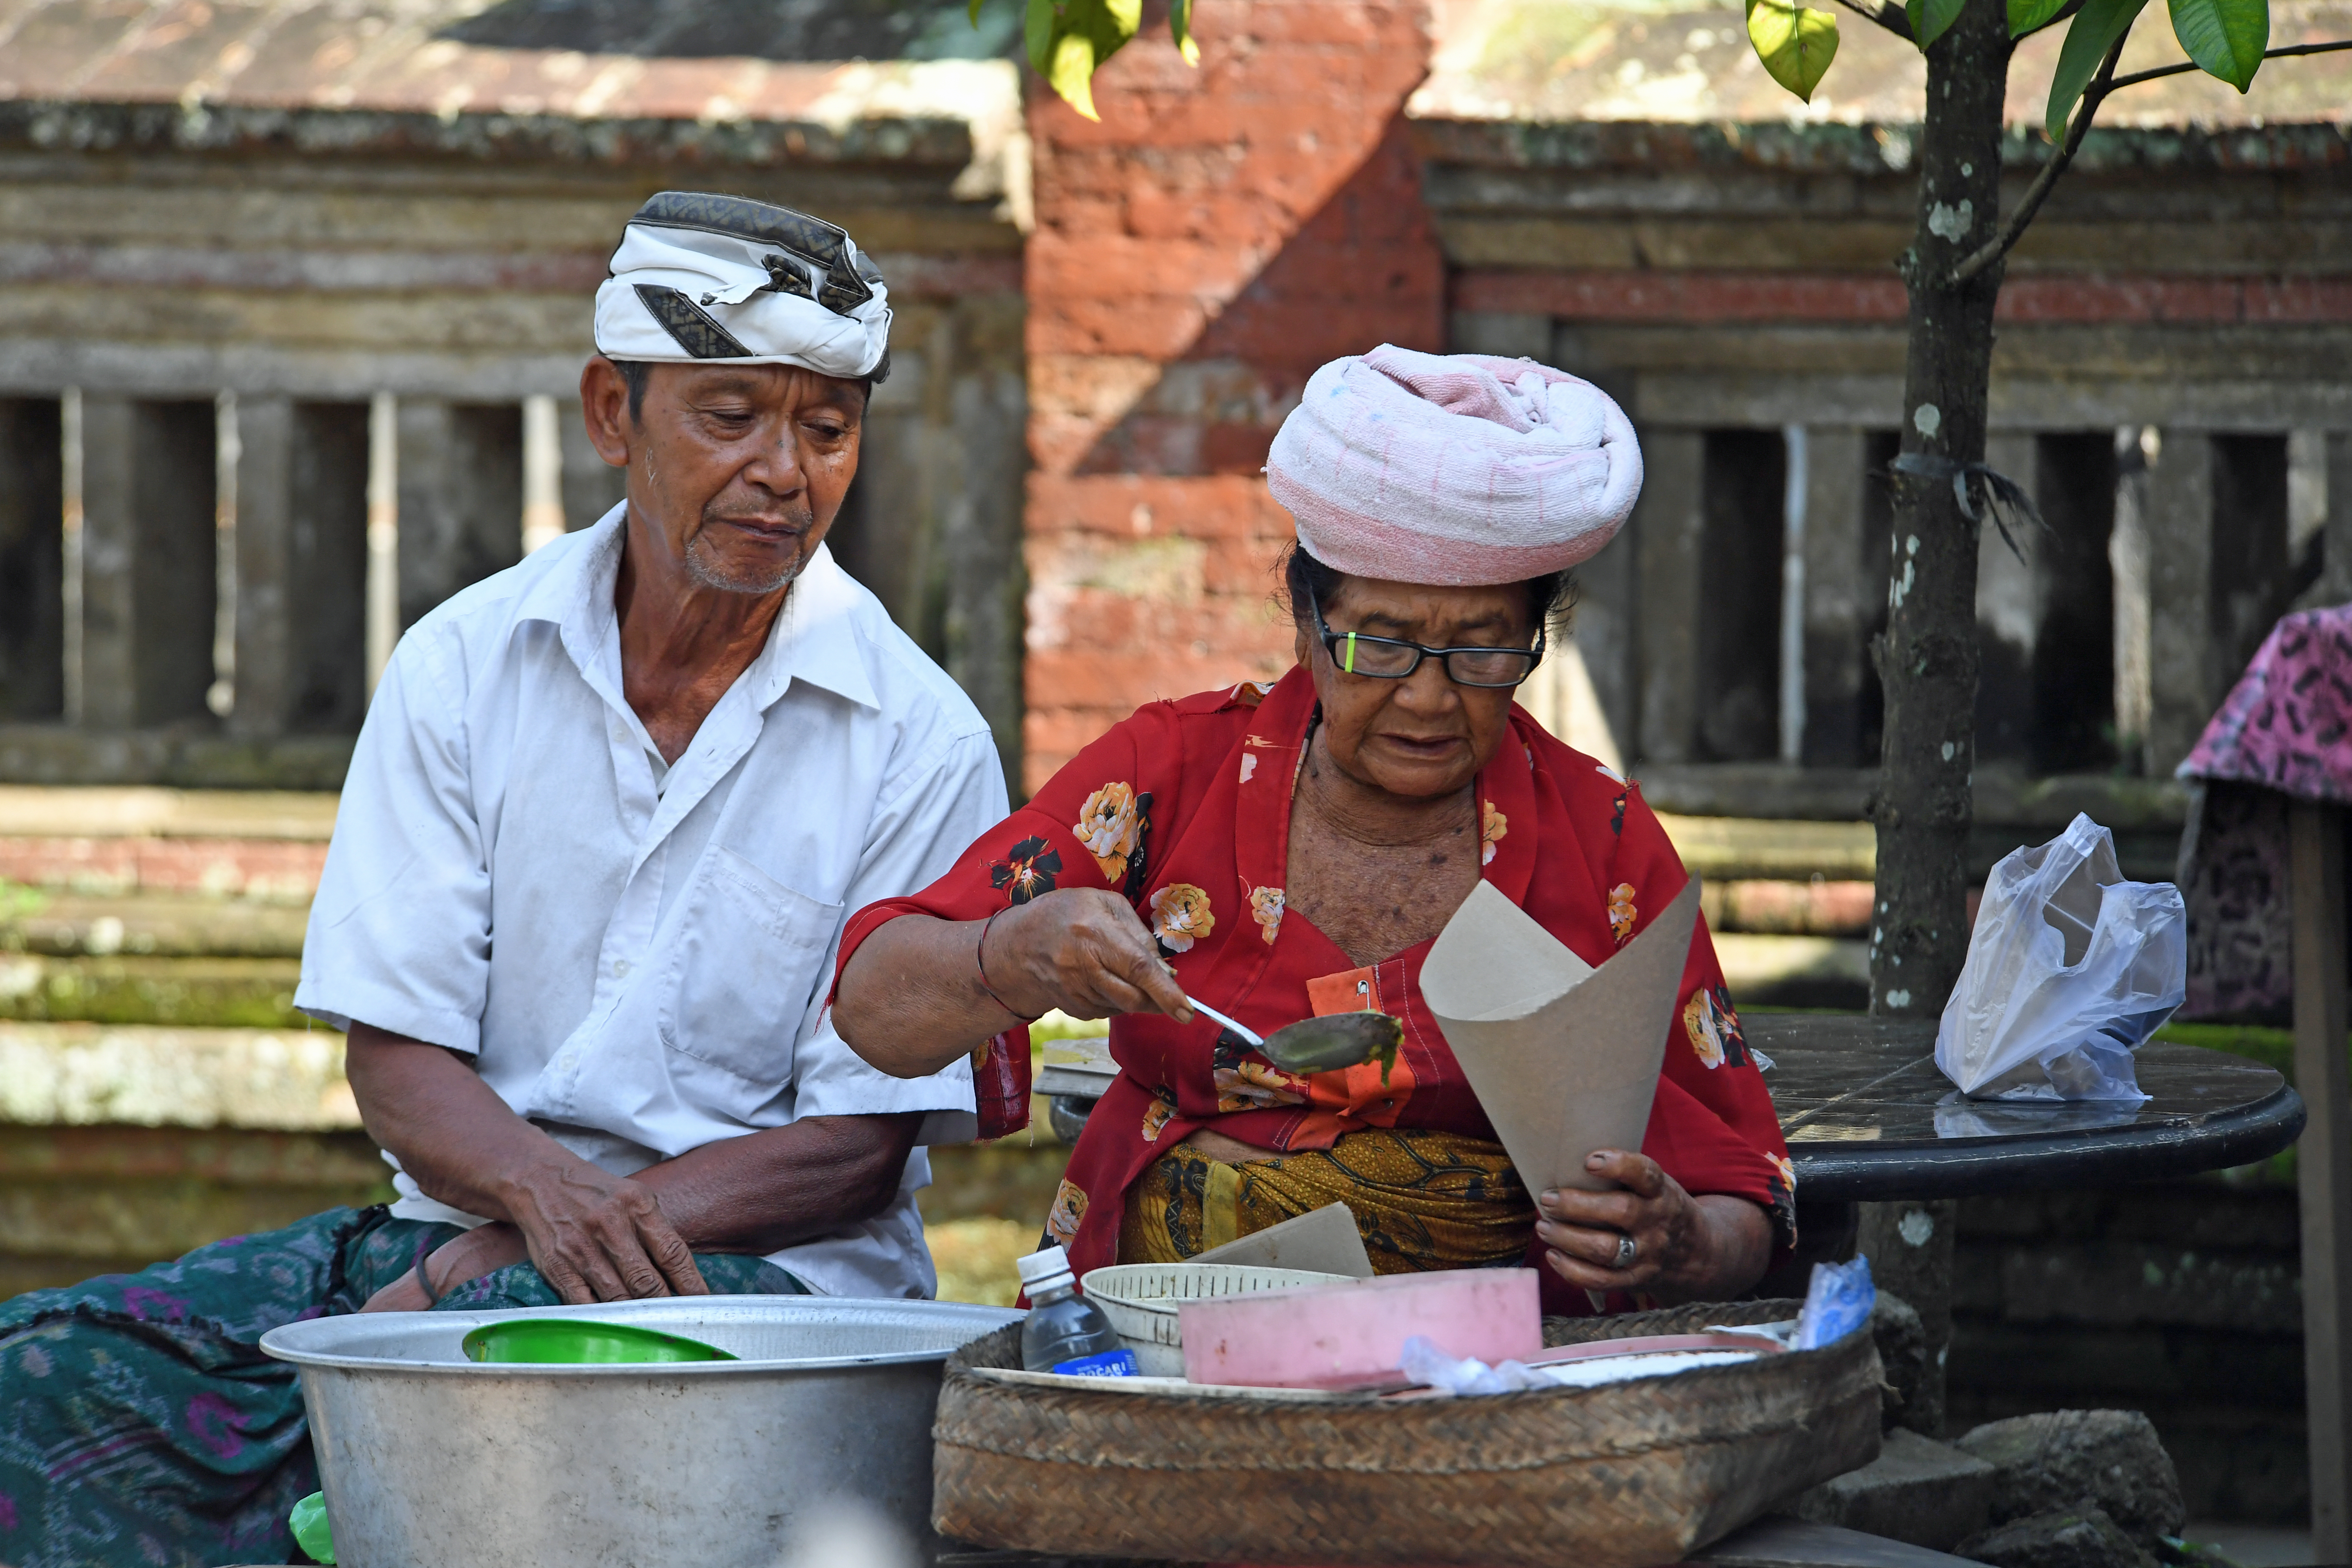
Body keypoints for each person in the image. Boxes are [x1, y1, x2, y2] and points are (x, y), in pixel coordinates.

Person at [0, 193, 1008, 1568]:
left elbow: (853, 1145)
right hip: (455, 1226)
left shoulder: (918, 737)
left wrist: (522, 1255)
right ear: (612, 414)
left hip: (760, 1291)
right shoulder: (463, 666)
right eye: (730, 416)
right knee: (39, 1371)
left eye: (824, 429)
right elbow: (398, 1056)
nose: (784, 470)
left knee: (483, 1447)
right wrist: (527, 1209)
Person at [832, 345, 1796, 1315]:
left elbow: (1745, 1188)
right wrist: (1020, 951)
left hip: (1482, 1374)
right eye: (1380, 641)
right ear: (1305, 622)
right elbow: (874, 1007)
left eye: (1482, 648)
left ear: (1534, 641)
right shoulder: (1168, 775)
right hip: (1154, 1339)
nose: (1427, 696)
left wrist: (1682, 1245)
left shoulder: (1605, 842)